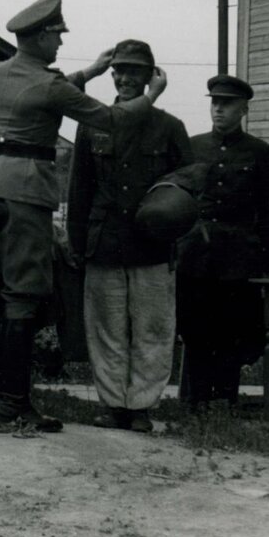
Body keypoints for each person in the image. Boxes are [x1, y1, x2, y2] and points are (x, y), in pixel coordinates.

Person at [0, 0, 167, 433]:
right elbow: (110, 120)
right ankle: (13, 407)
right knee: (22, 297)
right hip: (23, 194)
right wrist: (151, 96)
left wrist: (90, 71)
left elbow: (38, 92)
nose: (60, 43)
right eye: (56, 35)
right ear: (38, 37)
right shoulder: (51, 85)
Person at [67, 40, 192, 433]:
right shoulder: (93, 124)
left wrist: (177, 240)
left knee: (153, 328)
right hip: (104, 241)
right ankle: (111, 404)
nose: (124, 78)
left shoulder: (170, 127)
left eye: (134, 71)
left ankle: (141, 406)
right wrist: (76, 241)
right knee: (106, 327)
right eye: (119, 70)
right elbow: (79, 190)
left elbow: (188, 187)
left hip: (152, 246)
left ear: (151, 75)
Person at [173, 74, 269, 410]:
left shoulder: (259, 152)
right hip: (195, 254)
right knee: (195, 326)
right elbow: (177, 199)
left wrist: (264, 258)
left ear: (243, 109)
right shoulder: (192, 146)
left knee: (233, 328)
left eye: (227, 103)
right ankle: (196, 397)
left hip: (238, 257)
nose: (218, 108)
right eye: (214, 102)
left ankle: (225, 397)